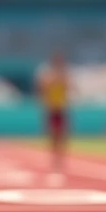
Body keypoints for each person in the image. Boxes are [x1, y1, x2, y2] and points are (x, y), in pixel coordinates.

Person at [37, 52, 70, 180]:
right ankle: (54, 157)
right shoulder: (48, 75)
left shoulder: (64, 74)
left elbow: (68, 88)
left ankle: (59, 158)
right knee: (53, 134)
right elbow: (42, 89)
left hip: (61, 108)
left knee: (61, 134)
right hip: (52, 108)